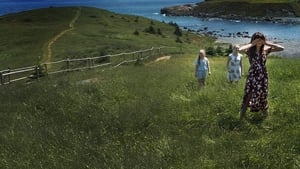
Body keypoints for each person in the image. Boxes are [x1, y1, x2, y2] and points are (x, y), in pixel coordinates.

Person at [238, 32, 284, 120]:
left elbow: (281, 48)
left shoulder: (266, 49)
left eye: (261, 39)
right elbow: (240, 49)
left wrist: (266, 43)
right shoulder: (250, 50)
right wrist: (252, 44)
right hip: (253, 76)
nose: (259, 40)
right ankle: (241, 117)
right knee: (248, 95)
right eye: (257, 38)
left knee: (262, 95)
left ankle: (266, 117)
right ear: (254, 39)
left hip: (263, 76)